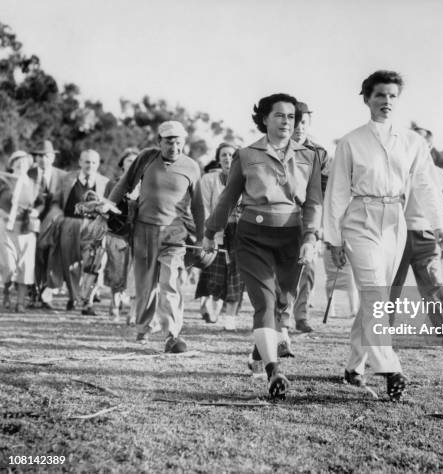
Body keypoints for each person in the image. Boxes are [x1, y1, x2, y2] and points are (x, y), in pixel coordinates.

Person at [323, 70, 443, 401]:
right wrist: (333, 239)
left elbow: (426, 184)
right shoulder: (351, 141)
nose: (387, 101)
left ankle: (354, 367)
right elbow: (336, 193)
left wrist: (440, 225)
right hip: (360, 219)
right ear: (367, 99)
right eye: (380, 95)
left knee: (373, 299)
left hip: (396, 222)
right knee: (375, 295)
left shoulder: (412, 141)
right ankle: (390, 369)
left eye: (392, 96)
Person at [203, 93, 322, 399]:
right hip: (252, 237)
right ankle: (274, 371)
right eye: (279, 115)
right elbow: (228, 198)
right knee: (264, 304)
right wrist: (210, 232)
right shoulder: (245, 155)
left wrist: (310, 237)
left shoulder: (310, 156)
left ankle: (259, 352)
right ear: (265, 119)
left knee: (283, 303)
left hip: (292, 239)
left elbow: (314, 203)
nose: (286, 122)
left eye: (291, 117)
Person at [106, 121, 205, 353]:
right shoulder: (146, 157)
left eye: (179, 141)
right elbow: (124, 183)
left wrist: (202, 238)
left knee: (169, 281)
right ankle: (143, 327)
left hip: (175, 234)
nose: (174, 146)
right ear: (159, 141)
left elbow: (199, 206)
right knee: (145, 283)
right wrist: (108, 207)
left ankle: (172, 334)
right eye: (169, 141)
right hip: (144, 231)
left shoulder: (191, 167)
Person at [389, 125, 443, 331]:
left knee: (432, 286)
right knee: (391, 287)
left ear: (430, 145)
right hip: (396, 232)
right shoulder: (394, 169)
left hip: (427, 236)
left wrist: (442, 230)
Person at [276, 101, 330, 334]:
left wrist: (322, 225)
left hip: (311, 219)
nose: (298, 127)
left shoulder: (320, 153)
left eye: (303, 122)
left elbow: (326, 191)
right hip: (281, 217)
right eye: (294, 122)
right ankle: (281, 318)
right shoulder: (276, 147)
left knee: (307, 268)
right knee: (282, 270)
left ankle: (302, 315)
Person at [50, 149, 109, 315]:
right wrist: (58, 217)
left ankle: (87, 302)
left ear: (98, 164)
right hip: (70, 224)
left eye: (94, 162)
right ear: (80, 162)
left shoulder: (105, 182)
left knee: (93, 264)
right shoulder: (67, 179)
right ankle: (74, 297)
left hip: (94, 227)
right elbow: (55, 202)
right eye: (87, 162)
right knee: (70, 264)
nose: (90, 165)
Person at [196, 142, 244, 331]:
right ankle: (213, 305)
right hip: (216, 231)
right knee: (215, 274)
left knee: (237, 274)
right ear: (218, 158)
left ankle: (230, 318)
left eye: (231, 155)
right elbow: (204, 207)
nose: (227, 158)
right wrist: (208, 233)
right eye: (223, 155)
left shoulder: (245, 178)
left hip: (240, 232)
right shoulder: (209, 179)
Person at [0, 151, 40, 312]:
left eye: (24, 162)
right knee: (9, 266)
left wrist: (36, 211)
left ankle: (21, 302)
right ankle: (7, 291)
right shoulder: (3, 181)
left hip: (26, 229)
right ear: (12, 164)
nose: (21, 164)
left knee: (25, 265)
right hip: (6, 227)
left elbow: (42, 203)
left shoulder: (33, 183)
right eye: (17, 161)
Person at [30, 140, 66, 309]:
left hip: (54, 222)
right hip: (30, 221)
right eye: (39, 156)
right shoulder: (28, 174)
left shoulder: (63, 176)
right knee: (34, 256)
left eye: (46, 156)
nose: (43, 159)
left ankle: (47, 293)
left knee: (52, 256)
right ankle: (34, 292)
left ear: (52, 157)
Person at [104, 148, 139, 323]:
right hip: (116, 232)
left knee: (134, 271)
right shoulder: (112, 184)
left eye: (135, 160)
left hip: (138, 234)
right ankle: (115, 304)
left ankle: (132, 310)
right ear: (122, 164)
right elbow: (105, 208)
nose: (132, 163)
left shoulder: (145, 184)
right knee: (116, 269)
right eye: (128, 160)